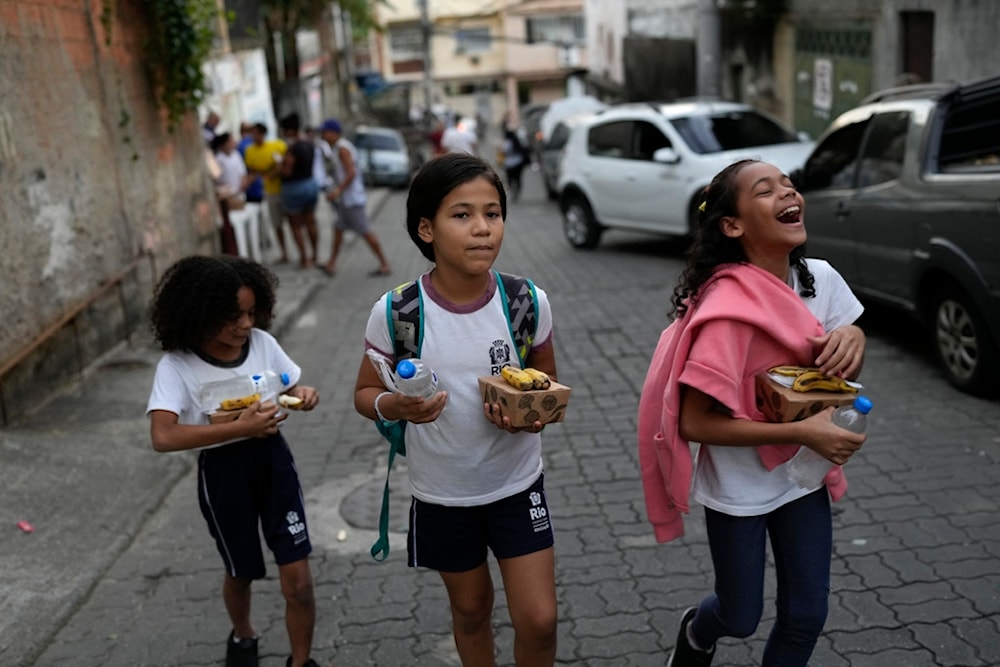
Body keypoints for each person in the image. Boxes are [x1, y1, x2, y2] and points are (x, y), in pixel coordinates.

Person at [637, 159, 867, 667]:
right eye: (766, 190)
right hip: (739, 489)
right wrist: (803, 430)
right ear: (732, 225)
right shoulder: (724, 309)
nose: (788, 192)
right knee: (740, 616)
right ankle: (697, 633)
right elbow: (694, 423)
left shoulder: (820, 280)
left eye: (788, 184)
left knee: (806, 615)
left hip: (801, 478)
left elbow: (847, 348)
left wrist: (853, 336)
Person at [353, 153, 559, 666]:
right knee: (470, 610)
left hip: (516, 484)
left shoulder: (526, 302)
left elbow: (549, 385)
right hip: (442, 494)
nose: (483, 229)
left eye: (493, 213)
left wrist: (528, 409)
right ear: (426, 228)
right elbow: (362, 394)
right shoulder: (397, 312)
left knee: (539, 619)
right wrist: (394, 406)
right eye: (462, 215)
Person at [145, 255, 324, 667]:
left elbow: (289, 383)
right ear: (198, 314)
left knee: (298, 581)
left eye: (250, 312)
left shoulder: (261, 343)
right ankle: (244, 634)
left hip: (274, 464)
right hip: (224, 476)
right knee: (240, 570)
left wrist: (304, 394)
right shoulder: (176, 366)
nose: (245, 325)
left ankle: (301, 661)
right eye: (232, 317)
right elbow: (163, 435)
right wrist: (239, 429)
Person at [318, 118, 391, 277]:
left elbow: (351, 172)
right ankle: (331, 263)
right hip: (347, 200)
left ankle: (384, 264)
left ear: (333, 133)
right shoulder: (338, 147)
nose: (322, 135)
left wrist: (338, 190)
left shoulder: (343, 148)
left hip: (351, 200)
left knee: (365, 231)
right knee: (338, 229)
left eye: (325, 132)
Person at [277, 113, 320, 269]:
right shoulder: (309, 143)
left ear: (289, 131)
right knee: (311, 222)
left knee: (295, 225)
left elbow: (287, 171)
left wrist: (280, 165)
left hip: (294, 188)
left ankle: (304, 258)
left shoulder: (292, 148)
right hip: (310, 184)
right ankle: (315, 255)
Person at [244, 123, 290, 264]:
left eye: (256, 133)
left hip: (286, 189)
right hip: (270, 191)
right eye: (252, 134)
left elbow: (285, 164)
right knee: (277, 224)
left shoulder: (277, 146)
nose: (254, 136)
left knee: (294, 223)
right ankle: (284, 253)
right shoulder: (250, 151)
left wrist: (274, 172)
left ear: (263, 134)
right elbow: (252, 172)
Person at [212, 132, 262, 261]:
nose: (234, 143)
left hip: (240, 195)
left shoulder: (236, 155)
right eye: (231, 141)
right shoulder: (219, 159)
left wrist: (244, 183)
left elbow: (243, 174)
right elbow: (217, 180)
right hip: (229, 198)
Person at [500, 123, 527, 202]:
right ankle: (518, 192)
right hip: (519, 162)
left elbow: (503, 152)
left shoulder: (507, 143)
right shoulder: (517, 141)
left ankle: (512, 192)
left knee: (510, 178)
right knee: (518, 178)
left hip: (509, 164)